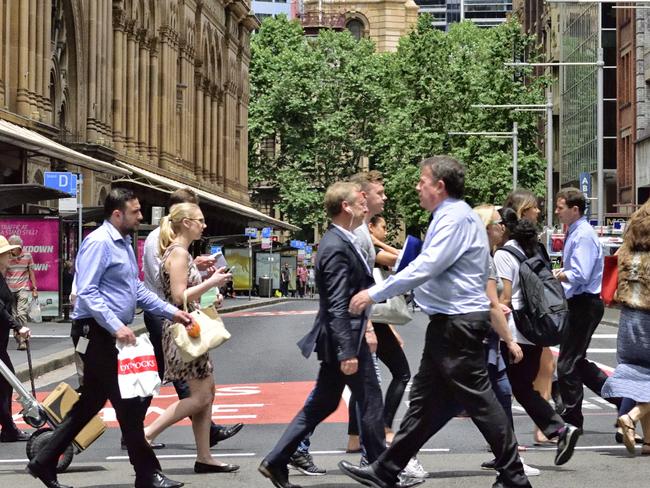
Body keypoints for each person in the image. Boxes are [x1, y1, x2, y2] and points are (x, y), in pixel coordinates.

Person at [341, 155, 530, 488]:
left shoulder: (453, 218)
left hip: (458, 323)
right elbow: (429, 265)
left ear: (439, 186)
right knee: (425, 402)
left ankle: (514, 474)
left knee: (481, 400)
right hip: (450, 322)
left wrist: (374, 293)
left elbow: (427, 266)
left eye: (422, 181)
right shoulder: (455, 215)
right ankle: (387, 469)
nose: (417, 186)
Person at [27, 188, 193, 488]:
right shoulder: (99, 243)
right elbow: (87, 291)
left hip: (107, 333)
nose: (140, 216)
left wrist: (171, 312)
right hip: (96, 333)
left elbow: (137, 290)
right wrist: (116, 325)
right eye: (135, 211)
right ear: (117, 214)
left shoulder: (124, 245)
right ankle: (147, 473)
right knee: (128, 403)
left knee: (90, 402)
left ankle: (43, 461)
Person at [258, 181, 386, 488]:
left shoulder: (342, 240)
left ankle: (276, 460)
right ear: (345, 206)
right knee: (370, 402)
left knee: (324, 403)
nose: (366, 206)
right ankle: (384, 471)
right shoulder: (334, 246)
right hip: (345, 339)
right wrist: (348, 351)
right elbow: (337, 304)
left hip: (340, 337)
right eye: (360, 202)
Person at [142, 188, 243, 450]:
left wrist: (209, 288)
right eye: (200, 220)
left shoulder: (183, 253)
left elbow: (186, 290)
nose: (204, 225)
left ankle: (204, 456)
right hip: (181, 328)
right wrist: (212, 282)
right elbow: (178, 296)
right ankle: (145, 435)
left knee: (206, 394)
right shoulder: (177, 253)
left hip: (189, 325)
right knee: (198, 397)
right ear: (186, 222)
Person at [494, 207, 580, 467]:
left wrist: (495, 324)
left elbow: (505, 298)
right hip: (534, 330)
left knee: (501, 389)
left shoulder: (503, 255)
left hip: (514, 331)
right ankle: (554, 430)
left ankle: (511, 452)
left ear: (503, 228)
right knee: (518, 388)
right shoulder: (533, 248)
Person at [553, 188, 614, 431]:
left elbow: (580, 273)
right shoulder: (576, 232)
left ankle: (572, 419)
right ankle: (622, 401)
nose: (557, 212)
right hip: (580, 303)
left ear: (574, 209)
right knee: (577, 362)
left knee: (567, 363)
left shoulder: (583, 235)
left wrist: (556, 276)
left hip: (585, 303)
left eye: (560, 207)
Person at [502, 189, 557, 446]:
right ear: (523, 212)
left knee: (525, 381)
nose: (538, 211)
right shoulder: (512, 250)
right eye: (534, 208)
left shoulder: (522, 248)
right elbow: (504, 296)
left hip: (525, 325)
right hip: (529, 324)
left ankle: (544, 429)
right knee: (515, 385)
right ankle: (548, 428)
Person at [601, 199, 650, 455]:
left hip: (629, 320)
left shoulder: (627, 250)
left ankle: (649, 443)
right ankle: (631, 416)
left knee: (642, 378)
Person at [0, 235, 31, 442]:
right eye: (7, 253)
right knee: (5, 382)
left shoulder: (1, 275)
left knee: (4, 383)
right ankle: (9, 430)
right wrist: (17, 326)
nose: (11, 255)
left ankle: (8, 429)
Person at [6, 235, 37, 350]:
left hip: (22, 288)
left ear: (19, 247)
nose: (10, 249)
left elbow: (31, 272)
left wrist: (34, 288)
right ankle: (18, 338)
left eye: (12, 247)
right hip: (9, 289)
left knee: (21, 313)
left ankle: (23, 339)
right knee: (13, 316)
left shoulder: (27, 256)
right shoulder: (7, 257)